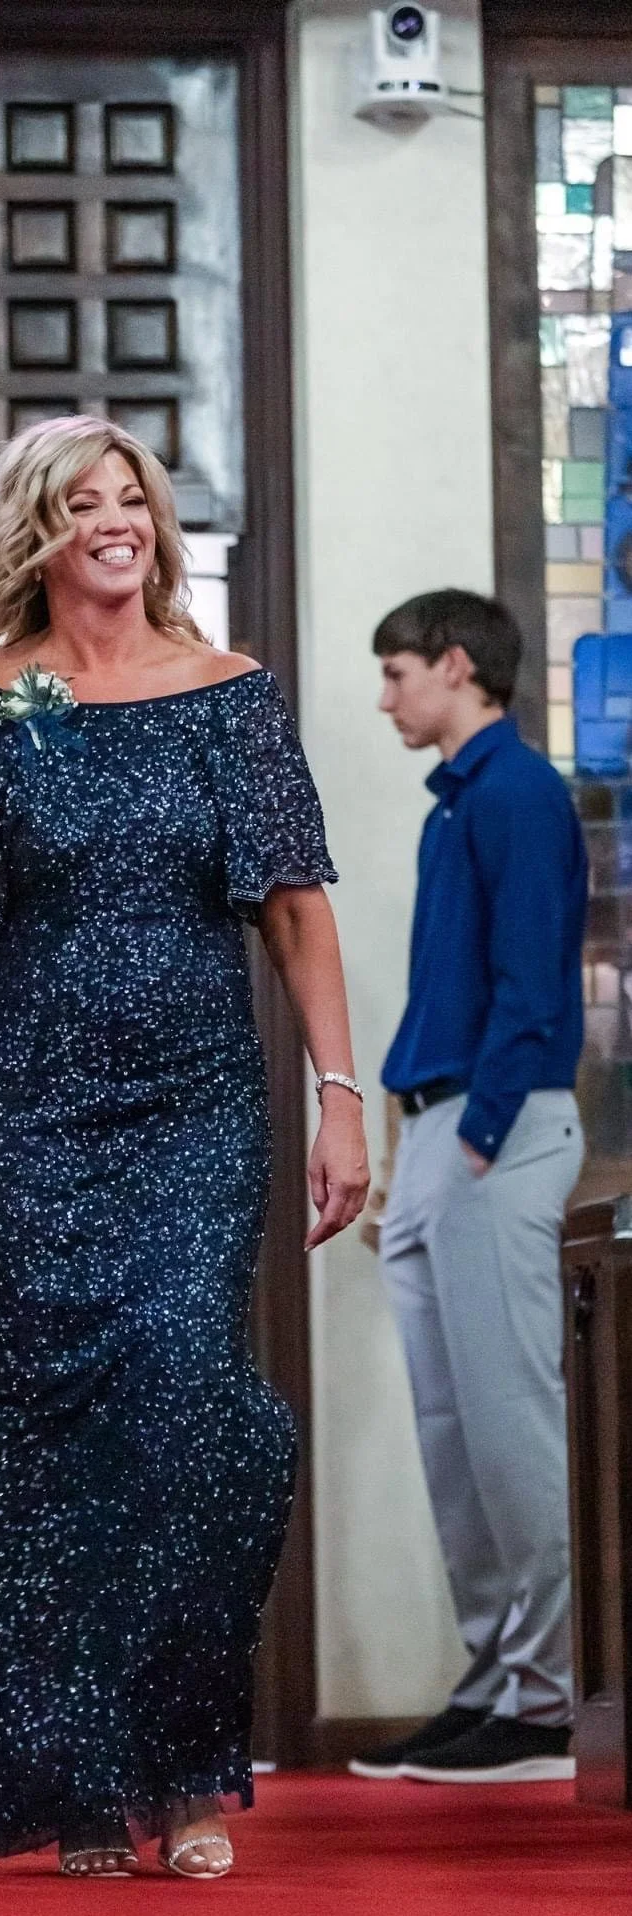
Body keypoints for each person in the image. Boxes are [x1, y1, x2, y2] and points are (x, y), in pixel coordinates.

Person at [0, 416, 369, 1878]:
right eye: (84, 501)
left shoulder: (228, 693)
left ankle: (189, 1768)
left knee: (189, 1409)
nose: (116, 521)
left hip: (192, 1105)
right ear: (38, 530)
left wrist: (341, 1093)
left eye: (133, 500)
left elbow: (295, 904)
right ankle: (80, 1786)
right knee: (31, 1440)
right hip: (21, 1104)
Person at [350, 590, 586, 1786]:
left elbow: (534, 983)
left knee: (510, 1423)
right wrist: (416, 1150)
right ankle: (499, 1676)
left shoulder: (517, 793)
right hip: (446, 1130)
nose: (384, 697)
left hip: (497, 1125)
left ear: (454, 665)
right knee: (455, 1431)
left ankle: (549, 1698)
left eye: (396, 673)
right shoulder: (458, 803)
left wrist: (481, 1137)